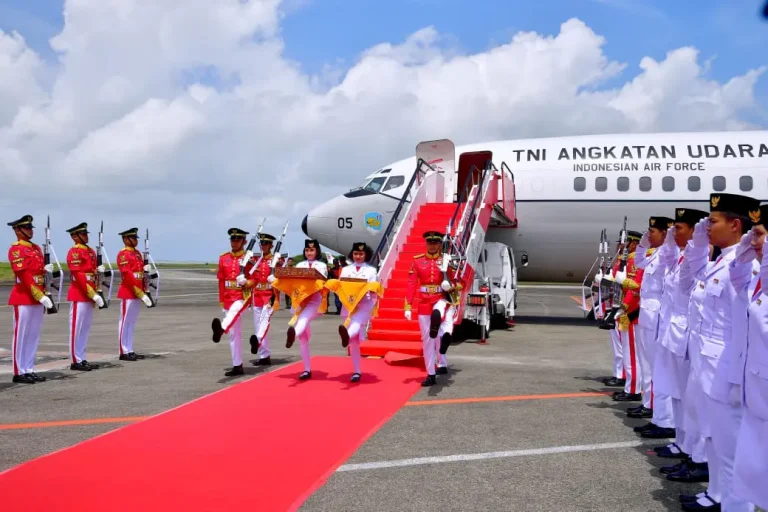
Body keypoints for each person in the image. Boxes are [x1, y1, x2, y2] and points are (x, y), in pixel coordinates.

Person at [677, 193, 760, 512]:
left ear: (736, 225)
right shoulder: (718, 262)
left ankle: (734, 503)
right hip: (706, 361)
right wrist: (697, 243)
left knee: (731, 443)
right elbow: (687, 283)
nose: (706, 226)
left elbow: (744, 326)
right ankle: (716, 493)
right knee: (713, 434)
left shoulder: (744, 267)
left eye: (712, 221)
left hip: (726, 365)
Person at [646, 209, 709, 476]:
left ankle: (695, 453)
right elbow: (661, 267)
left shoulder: (701, 259)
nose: (674, 231)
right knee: (677, 394)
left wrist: (694, 244)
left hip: (687, 335)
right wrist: (671, 242)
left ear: (695, 231)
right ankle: (683, 445)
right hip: (674, 332)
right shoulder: (678, 256)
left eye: (679, 228)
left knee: (690, 400)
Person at [731, 205, 768, 511]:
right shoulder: (758, 282)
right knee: (754, 474)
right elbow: (735, 276)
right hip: (756, 393)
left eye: (760, 234)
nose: (755, 241)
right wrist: (746, 249)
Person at [629, 216, 674, 431]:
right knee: (647, 362)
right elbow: (639, 263)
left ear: (665, 234)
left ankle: (659, 411)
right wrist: (642, 245)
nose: (648, 235)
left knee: (657, 365)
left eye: (652, 232)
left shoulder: (667, 254)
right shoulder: (656, 253)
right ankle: (649, 403)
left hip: (656, 313)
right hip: (647, 312)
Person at [404, 230, 464, 387]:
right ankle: (431, 372)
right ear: (426, 244)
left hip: (440, 298)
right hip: (423, 302)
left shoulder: (446, 261)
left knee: (440, 316)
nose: (432, 246)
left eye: (435, 243)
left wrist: (450, 286)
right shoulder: (417, 261)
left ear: (439, 244)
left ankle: (443, 347)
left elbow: (460, 282)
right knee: (427, 339)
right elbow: (411, 284)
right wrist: (408, 305)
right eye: (429, 243)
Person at [6, 215, 53, 383]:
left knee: (33, 335)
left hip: (37, 297)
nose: (30, 231)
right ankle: (19, 371)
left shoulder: (36, 249)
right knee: (21, 335)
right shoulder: (16, 249)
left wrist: (46, 271)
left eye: (31, 228)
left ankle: (29, 368)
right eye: (26, 228)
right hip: (24, 296)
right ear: (17, 230)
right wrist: (40, 296)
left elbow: (38, 273)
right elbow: (24, 274)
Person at [331, 242, 380, 382]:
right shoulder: (345, 270)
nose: (358, 256)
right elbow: (342, 286)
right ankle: (356, 371)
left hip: (364, 304)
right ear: (352, 255)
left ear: (366, 255)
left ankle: (345, 334)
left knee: (356, 325)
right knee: (354, 342)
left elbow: (373, 289)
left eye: (361, 254)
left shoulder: (371, 271)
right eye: (356, 254)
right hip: (349, 305)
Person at [279, 239, 328, 380]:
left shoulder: (321, 265)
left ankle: (292, 334)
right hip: (300, 302)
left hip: (314, 301)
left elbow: (320, 280)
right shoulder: (300, 265)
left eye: (312, 250)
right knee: (304, 337)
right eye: (307, 250)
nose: (309, 252)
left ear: (317, 251)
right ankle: (306, 369)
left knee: (303, 320)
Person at [212, 228, 256, 377]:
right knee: (234, 334)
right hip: (228, 298)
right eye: (232, 239)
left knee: (234, 312)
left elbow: (255, 280)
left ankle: (220, 329)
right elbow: (221, 281)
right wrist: (221, 300)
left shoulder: (249, 259)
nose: (234, 242)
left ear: (244, 242)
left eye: (237, 240)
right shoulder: (223, 258)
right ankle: (237, 365)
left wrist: (246, 282)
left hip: (242, 297)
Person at [66, 222, 104, 372]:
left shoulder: (90, 251)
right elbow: (79, 276)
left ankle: (81, 357)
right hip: (80, 293)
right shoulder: (75, 252)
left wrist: (97, 271)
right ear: (74, 236)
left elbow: (90, 274)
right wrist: (93, 294)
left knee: (84, 329)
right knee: (77, 328)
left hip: (89, 294)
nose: (86, 236)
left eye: (86, 233)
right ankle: (76, 360)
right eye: (83, 234)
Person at [610, 230, 644, 403]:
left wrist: (623, 308)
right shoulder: (627, 260)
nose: (620, 245)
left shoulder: (636, 261)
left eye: (625, 242)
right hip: (624, 311)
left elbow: (634, 289)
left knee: (631, 353)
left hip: (630, 313)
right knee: (627, 351)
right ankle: (630, 386)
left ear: (633, 244)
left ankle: (633, 389)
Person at [115, 228, 153, 361]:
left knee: (131, 322)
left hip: (138, 291)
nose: (136, 240)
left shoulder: (137, 254)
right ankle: (123, 351)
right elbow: (128, 275)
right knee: (125, 322)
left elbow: (139, 274)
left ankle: (129, 349)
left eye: (136, 238)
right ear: (126, 239)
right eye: (133, 238)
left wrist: (145, 270)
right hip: (129, 291)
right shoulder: (123, 254)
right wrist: (140, 293)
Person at [249, 233, 279, 366]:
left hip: (269, 296)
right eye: (261, 244)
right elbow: (252, 279)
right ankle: (264, 355)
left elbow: (283, 278)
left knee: (264, 323)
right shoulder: (256, 260)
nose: (263, 246)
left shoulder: (277, 261)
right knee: (258, 325)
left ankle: (258, 342)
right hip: (257, 296)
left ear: (271, 246)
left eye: (266, 244)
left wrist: (276, 280)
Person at [602, 234, 626, 388]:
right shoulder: (617, 262)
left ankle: (621, 375)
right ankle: (618, 373)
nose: (619, 247)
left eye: (622, 244)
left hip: (622, 308)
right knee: (616, 344)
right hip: (613, 305)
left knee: (621, 345)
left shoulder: (627, 263)